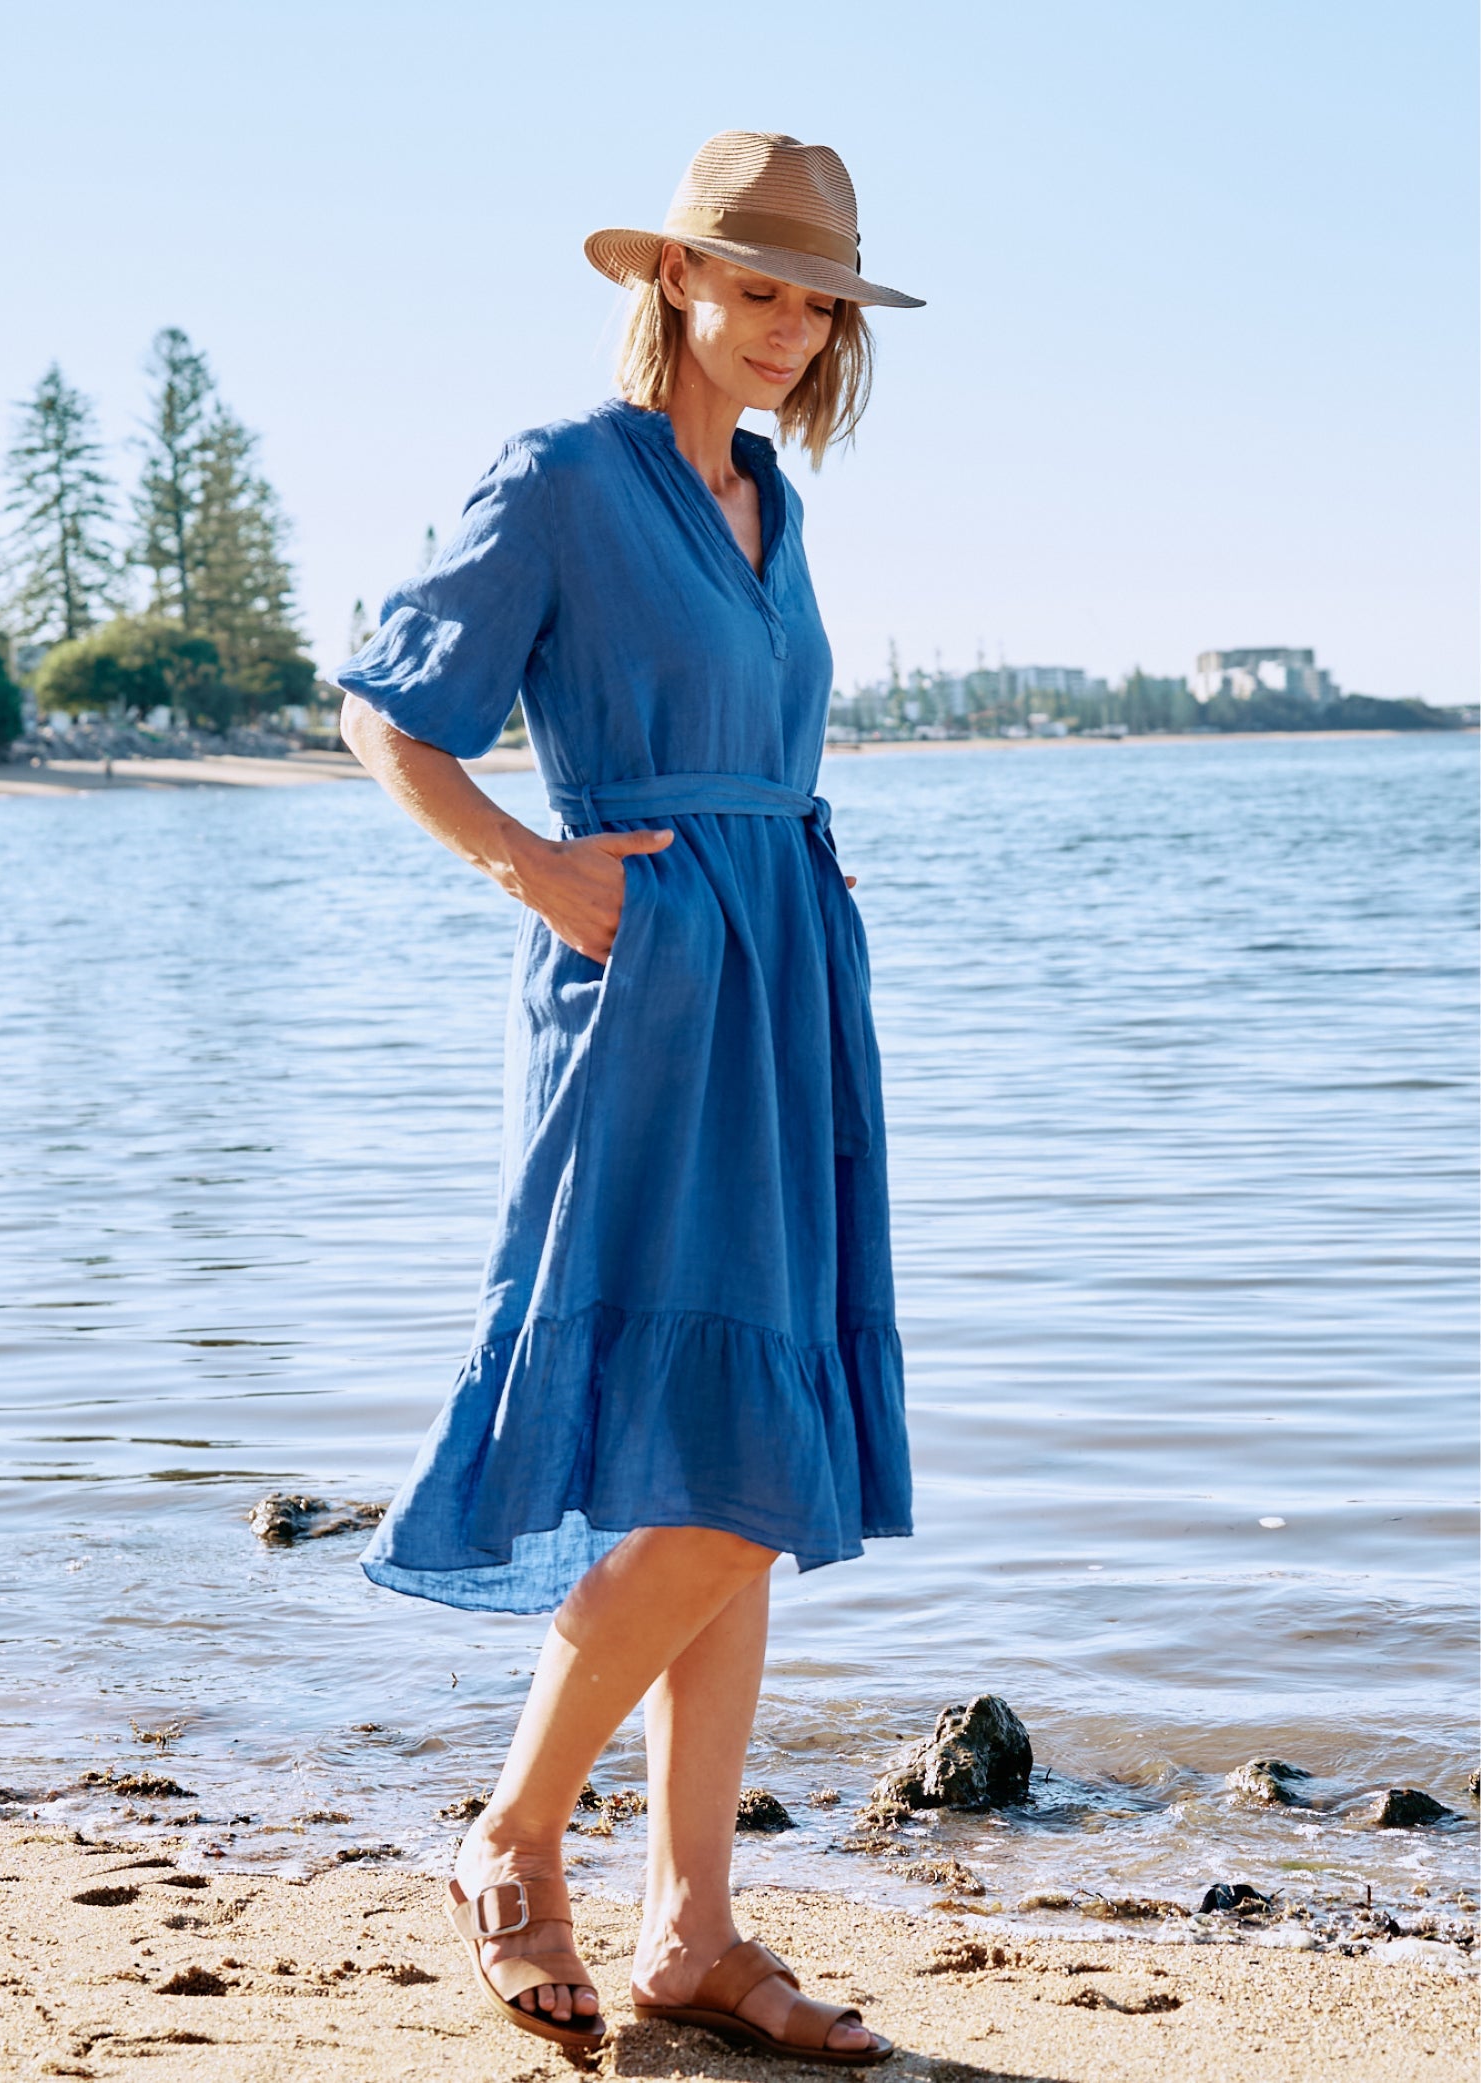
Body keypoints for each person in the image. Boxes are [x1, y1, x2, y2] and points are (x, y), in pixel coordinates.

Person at [336, 130, 922, 2068]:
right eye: (755, 286)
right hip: (649, 976)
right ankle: (510, 1839)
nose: (787, 327)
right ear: (670, 278)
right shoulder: (564, 479)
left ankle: (691, 1928)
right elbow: (389, 710)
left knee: (736, 1462)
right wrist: (537, 866)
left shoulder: (770, 498)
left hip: (785, 980)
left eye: (814, 297)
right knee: (721, 1464)